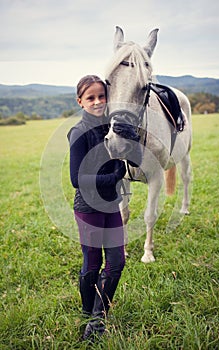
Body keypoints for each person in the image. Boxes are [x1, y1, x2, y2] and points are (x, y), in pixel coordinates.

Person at [67, 75, 129, 341]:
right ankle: (88, 313)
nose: (98, 102)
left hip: (111, 206)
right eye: (91, 98)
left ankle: (98, 316)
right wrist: (113, 177)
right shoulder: (78, 132)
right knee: (92, 264)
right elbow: (77, 179)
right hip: (88, 209)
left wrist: (131, 142)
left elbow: (127, 161)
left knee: (116, 262)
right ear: (80, 101)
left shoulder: (111, 129)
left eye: (102, 96)